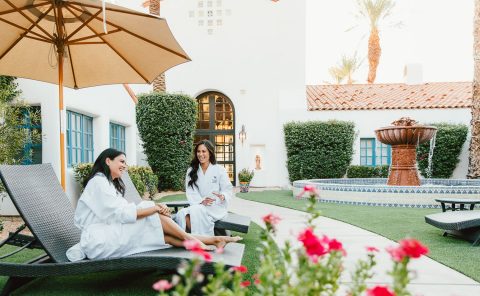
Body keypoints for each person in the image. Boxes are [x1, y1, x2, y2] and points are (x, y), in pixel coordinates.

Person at [66, 148, 240, 261]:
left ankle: (214, 239)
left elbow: (124, 211)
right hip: (100, 241)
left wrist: (151, 208)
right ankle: (194, 240)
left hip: (111, 232)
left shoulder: (108, 183)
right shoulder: (99, 183)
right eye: (122, 161)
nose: (125, 166)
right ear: (108, 161)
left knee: (163, 236)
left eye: (125, 163)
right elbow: (121, 214)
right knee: (153, 216)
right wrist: (154, 208)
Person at [175, 140, 233, 236]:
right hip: (199, 204)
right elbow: (191, 191)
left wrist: (223, 196)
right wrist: (201, 201)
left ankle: (201, 239)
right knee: (182, 214)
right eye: (198, 151)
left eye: (204, 151)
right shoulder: (191, 170)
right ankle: (201, 239)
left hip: (215, 206)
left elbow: (227, 189)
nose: (200, 154)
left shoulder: (219, 169)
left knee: (194, 213)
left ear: (210, 153)